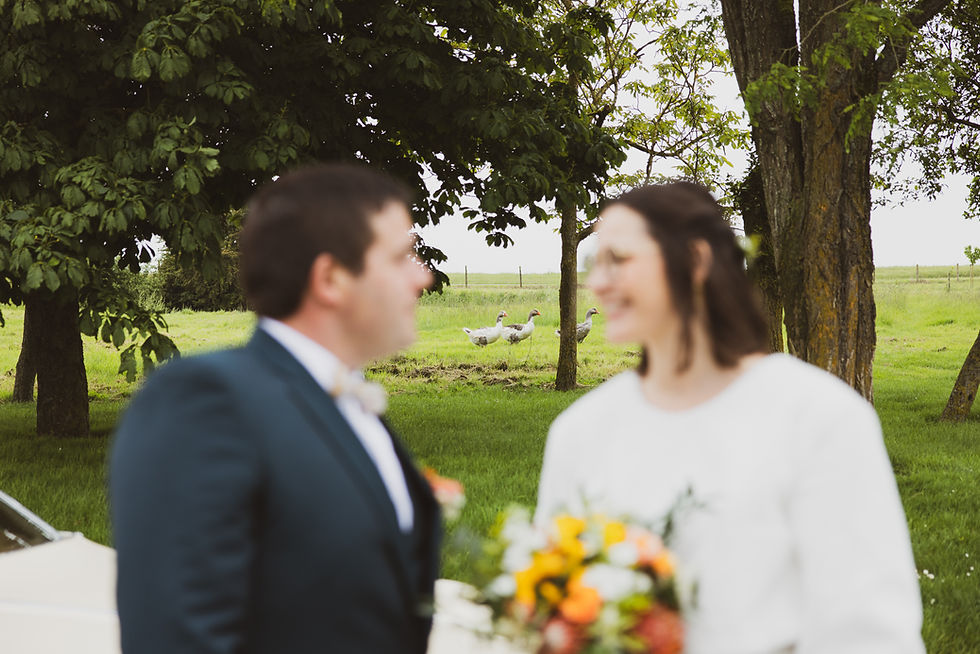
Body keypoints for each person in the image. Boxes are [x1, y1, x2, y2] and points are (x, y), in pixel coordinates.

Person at [535, 183, 925, 654]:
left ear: (695, 262)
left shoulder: (820, 417)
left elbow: (870, 632)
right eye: (595, 264)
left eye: (619, 260)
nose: (597, 283)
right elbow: (555, 607)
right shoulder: (580, 432)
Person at [110, 164, 440, 654]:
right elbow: (179, 635)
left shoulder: (348, 401)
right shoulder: (207, 401)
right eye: (401, 258)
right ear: (331, 278)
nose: (424, 277)